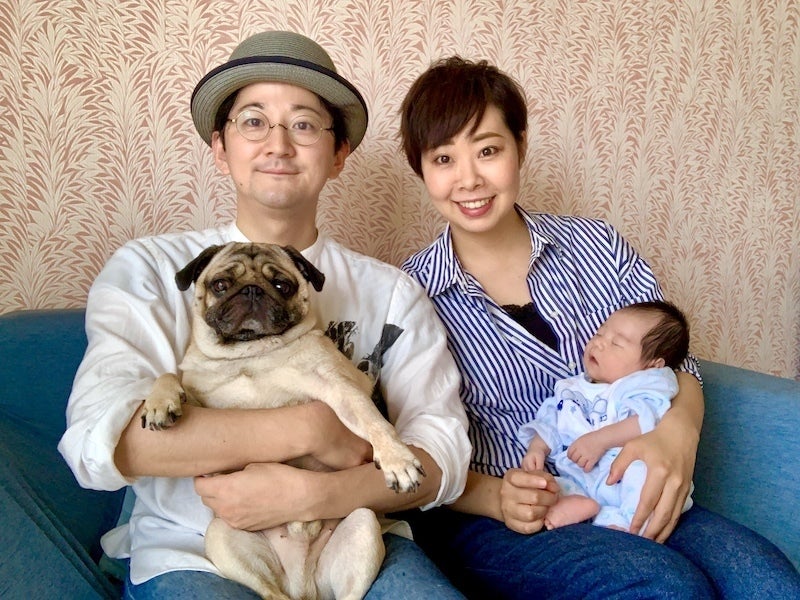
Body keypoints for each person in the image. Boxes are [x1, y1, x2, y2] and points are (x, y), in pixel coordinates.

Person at [58, 32, 471, 599]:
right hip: (193, 545)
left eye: (303, 124)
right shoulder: (149, 269)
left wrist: (321, 494)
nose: (278, 144)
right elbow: (102, 442)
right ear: (219, 147)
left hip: (352, 531)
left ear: (339, 153)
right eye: (253, 121)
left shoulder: (392, 292)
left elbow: (442, 456)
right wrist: (313, 429)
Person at [398, 56, 800, 598]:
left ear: (520, 146)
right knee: (664, 587)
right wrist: (493, 497)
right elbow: (411, 446)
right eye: (443, 158)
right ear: (421, 170)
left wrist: (679, 431)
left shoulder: (597, 246)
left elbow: (675, 363)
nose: (469, 179)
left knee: (770, 583)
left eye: (488, 150)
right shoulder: (410, 294)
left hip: (625, 483)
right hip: (505, 519)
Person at [518, 301, 694, 532]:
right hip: (580, 475)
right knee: (548, 485)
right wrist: (537, 449)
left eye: (616, 343)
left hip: (625, 470)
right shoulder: (571, 389)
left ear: (652, 366)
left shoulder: (641, 387)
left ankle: (627, 523)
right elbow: (551, 421)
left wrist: (600, 440)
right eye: (599, 333)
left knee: (643, 476)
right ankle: (581, 505)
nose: (598, 343)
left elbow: (645, 421)